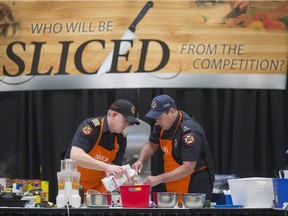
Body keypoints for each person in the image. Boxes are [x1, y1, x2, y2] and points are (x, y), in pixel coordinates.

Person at [132, 94, 215, 202]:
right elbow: (151, 144)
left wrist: (158, 179)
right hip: (174, 179)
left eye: (159, 117)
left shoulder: (189, 132)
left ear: (171, 111)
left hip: (194, 182)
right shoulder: (161, 126)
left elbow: (188, 168)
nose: (157, 122)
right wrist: (140, 160)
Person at [62, 99, 140, 193]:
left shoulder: (121, 138)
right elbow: (75, 156)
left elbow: (113, 169)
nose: (127, 125)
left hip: (99, 190)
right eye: (125, 120)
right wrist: (106, 167)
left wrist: (125, 176)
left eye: (129, 123)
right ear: (114, 115)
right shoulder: (91, 127)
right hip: (75, 186)